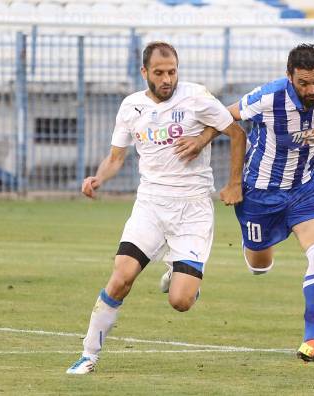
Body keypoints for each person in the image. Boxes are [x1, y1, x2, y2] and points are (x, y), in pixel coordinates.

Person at [66, 41, 246, 374]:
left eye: (172, 72)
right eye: (160, 73)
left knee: (180, 301)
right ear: (144, 72)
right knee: (121, 276)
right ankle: (89, 354)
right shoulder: (130, 107)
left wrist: (234, 182)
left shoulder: (196, 98)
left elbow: (236, 133)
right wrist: (98, 178)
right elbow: (116, 157)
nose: (167, 79)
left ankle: (180, 277)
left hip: (192, 210)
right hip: (150, 206)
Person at [189, 43, 314, 366]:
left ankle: (311, 339)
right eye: (304, 83)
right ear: (289, 77)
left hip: (304, 189)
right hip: (259, 194)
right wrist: (202, 145)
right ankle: (227, 261)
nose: (312, 89)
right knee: (259, 266)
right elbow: (224, 117)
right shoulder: (269, 98)